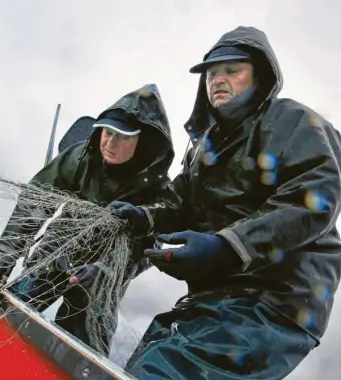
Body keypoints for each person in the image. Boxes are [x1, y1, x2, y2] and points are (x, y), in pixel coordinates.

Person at [109, 26, 341, 379]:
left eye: (232, 70)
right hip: (212, 300)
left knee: (161, 372)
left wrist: (227, 246)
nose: (218, 79)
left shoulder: (293, 121)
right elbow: (178, 200)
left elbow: (313, 199)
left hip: (274, 304)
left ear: (260, 76)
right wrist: (145, 216)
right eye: (212, 73)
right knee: (145, 359)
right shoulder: (204, 150)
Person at [0, 84, 179, 356]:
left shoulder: (160, 193)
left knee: (82, 352)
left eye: (123, 137)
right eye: (108, 132)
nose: (110, 144)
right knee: (9, 309)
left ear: (144, 142)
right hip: (57, 250)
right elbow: (38, 197)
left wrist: (107, 271)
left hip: (103, 277)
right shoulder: (80, 156)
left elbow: (149, 249)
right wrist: (9, 252)